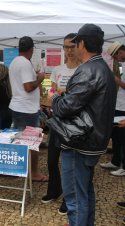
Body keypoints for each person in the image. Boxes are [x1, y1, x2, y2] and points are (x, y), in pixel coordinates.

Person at [49, 24, 116, 226]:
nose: (73, 48)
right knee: (85, 191)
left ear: (83, 44)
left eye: (75, 43)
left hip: (80, 143)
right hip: (92, 141)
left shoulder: (88, 70)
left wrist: (56, 99)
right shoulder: (103, 68)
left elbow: (65, 108)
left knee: (75, 198)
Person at [41, 33, 80, 215]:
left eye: (72, 47)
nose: (69, 50)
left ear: (79, 47)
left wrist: (63, 91)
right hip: (57, 120)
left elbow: (78, 96)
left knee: (69, 163)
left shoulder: (83, 70)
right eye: (66, 47)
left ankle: (69, 198)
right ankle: (54, 190)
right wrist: (57, 93)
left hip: (74, 123)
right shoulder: (57, 69)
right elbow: (53, 91)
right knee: (51, 160)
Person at [9, 36, 47, 182]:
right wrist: (40, 78)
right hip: (27, 109)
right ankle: (34, 173)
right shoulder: (24, 63)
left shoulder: (15, 61)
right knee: (32, 142)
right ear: (32, 49)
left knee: (20, 141)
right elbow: (28, 87)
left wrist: (35, 76)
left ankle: (20, 170)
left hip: (19, 107)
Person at [100, 42, 125, 176]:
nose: (116, 58)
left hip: (124, 108)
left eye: (117, 55)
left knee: (123, 137)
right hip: (118, 105)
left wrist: (115, 79)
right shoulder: (121, 65)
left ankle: (123, 166)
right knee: (116, 135)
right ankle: (115, 161)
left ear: (122, 51)